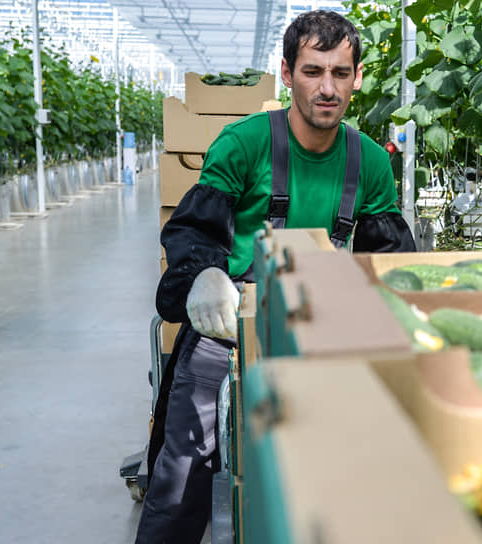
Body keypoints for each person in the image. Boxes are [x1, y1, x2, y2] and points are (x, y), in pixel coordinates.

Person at [135, 10, 415, 543]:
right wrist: (204, 276)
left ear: (357, 77)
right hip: (231, 333)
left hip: (324, 333)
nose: (327, 88)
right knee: (183, 472)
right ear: (287, 74)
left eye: (339, 72)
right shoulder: (243, 145)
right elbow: (193, 232)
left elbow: (391, 261)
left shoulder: (371, 162)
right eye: (313, 71)